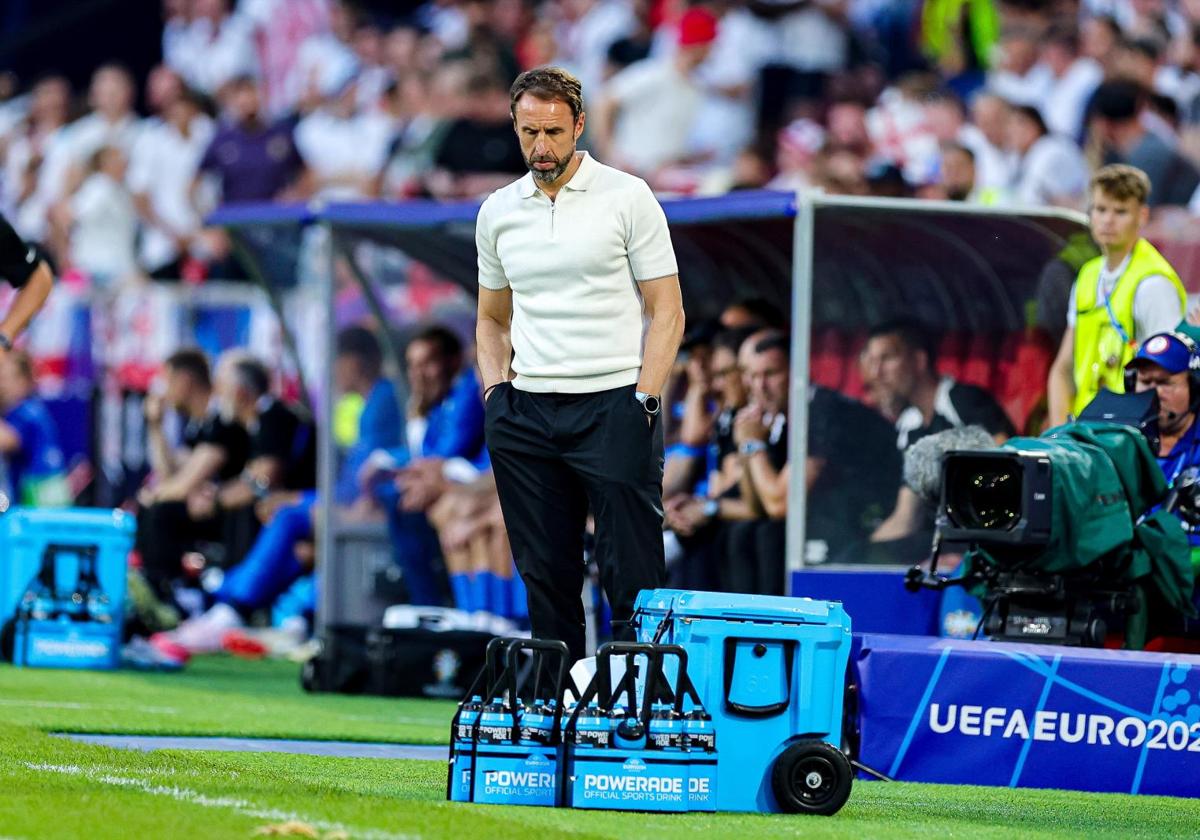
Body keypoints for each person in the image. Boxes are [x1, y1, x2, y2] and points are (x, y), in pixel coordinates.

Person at [476, 66, 684, 663]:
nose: (541, 147)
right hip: (526, 411)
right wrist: (497, 398)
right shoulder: (497, 211)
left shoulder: (628, 195)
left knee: (633, 577)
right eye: (528, 132)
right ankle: (554, 719)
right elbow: (491, 320)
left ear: (580, 126)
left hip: (615, 401)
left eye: (553, 132)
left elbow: (667, 311)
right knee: (545, 576)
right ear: (515, 128)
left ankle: (632, 716)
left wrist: (644, 399)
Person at [1047, 164, 1187, 427]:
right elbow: (1062, 369)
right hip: (1084, 433)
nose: (1108, 220)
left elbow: (1169, 379)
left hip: (1128, 435)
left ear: (1142, 216)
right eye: (1101, 209)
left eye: (1120, 211)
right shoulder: (1087, 276)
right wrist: (1058, 436)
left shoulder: (1152, 284)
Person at [861, 318, 1014, 556]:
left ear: (919, 361)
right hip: (940, 545)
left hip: (983, 545)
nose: (876, 372)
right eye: (872, 361)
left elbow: (1011, 468)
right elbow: (906, 517)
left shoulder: (963, 401)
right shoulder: (910, 426)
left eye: (887, 359)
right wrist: (859, 556)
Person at [1126, 332, 1200, 564]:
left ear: (1195, 388)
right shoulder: (1119, 445)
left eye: (1165, 383)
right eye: (1146, 382)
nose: (1154, 393)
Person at [0, 351, 69, 507]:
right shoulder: (26, 409)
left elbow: (6, 440)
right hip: (44, 492)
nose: (1, 385)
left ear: (23, 381)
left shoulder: (25, 412)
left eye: (4, 378)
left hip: (41, 495)